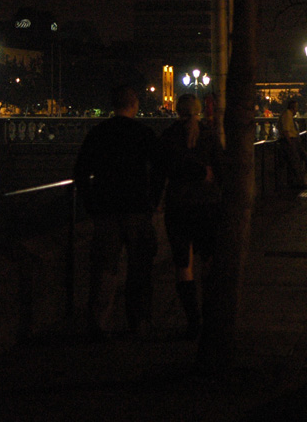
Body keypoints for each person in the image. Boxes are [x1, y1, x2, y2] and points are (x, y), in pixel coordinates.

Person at [74, 85, 163, 340]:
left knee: (105, 269)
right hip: (137, 208)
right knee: (140, 268)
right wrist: (154, 199)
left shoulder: (99, 133)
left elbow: (80, 171)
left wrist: (90, 203)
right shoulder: (143, 133)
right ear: (134, 104)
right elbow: (160, 168)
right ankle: (139, 321)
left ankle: (100, 323)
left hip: (106, 209)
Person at [157, 94, 223, 340]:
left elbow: (161, 170)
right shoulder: (209, 135)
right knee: (208, 259)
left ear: (177, 111)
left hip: (179, 205)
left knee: (183, 264)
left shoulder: (168, 136)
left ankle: (192, 319)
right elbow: (221, 168)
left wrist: (156, 201)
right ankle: (210, 314)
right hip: (207, 204)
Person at [280, 100, 307, 188]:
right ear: (293, 108)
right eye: (296, 107)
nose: (297, 110)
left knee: (293, 163)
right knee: (295, 162)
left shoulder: (288, 115)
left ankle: (293, 182)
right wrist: (290, 142)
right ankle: (299, 183)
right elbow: (286, 130)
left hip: (291, 140)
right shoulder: (288, 115)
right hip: (290, 140)